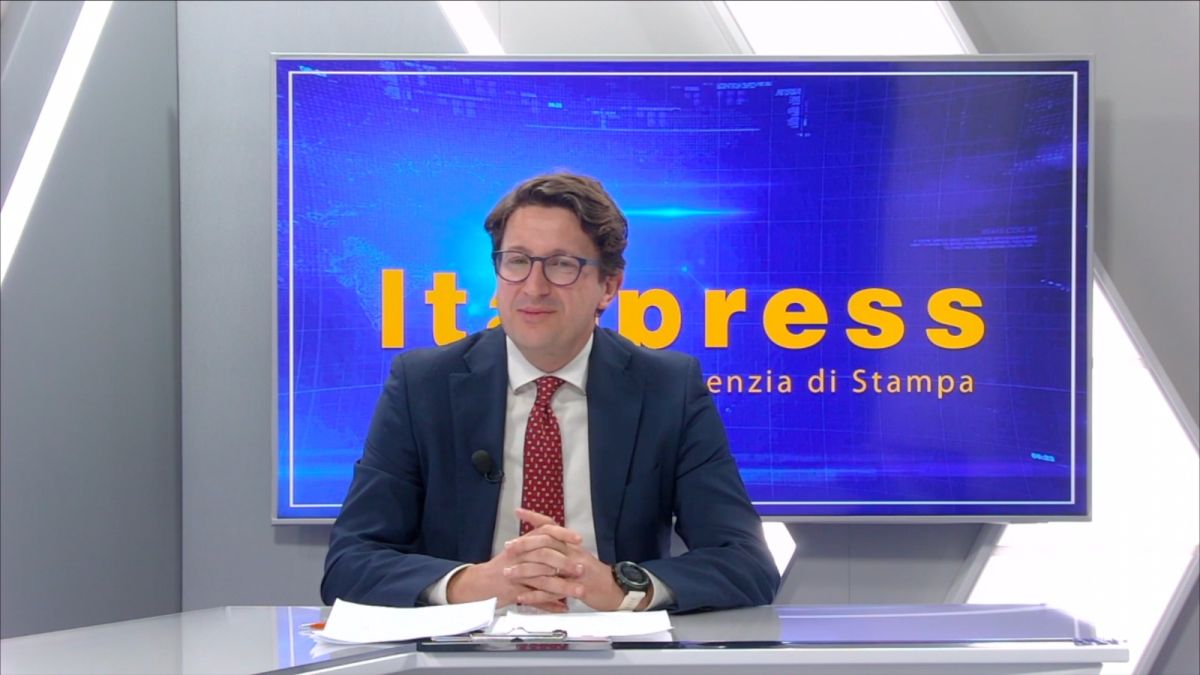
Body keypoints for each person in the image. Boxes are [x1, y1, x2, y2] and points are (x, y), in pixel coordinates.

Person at [321, 172, 779, 613]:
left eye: (562, 264)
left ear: (609, 286)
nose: (534, 288)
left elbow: (746, 563)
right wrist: (471, 584)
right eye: (517, 261)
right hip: (465, 648)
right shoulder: (423, 385)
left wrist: (620, 586)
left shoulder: (667, 388)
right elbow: (349, 563)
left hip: (616, 648)